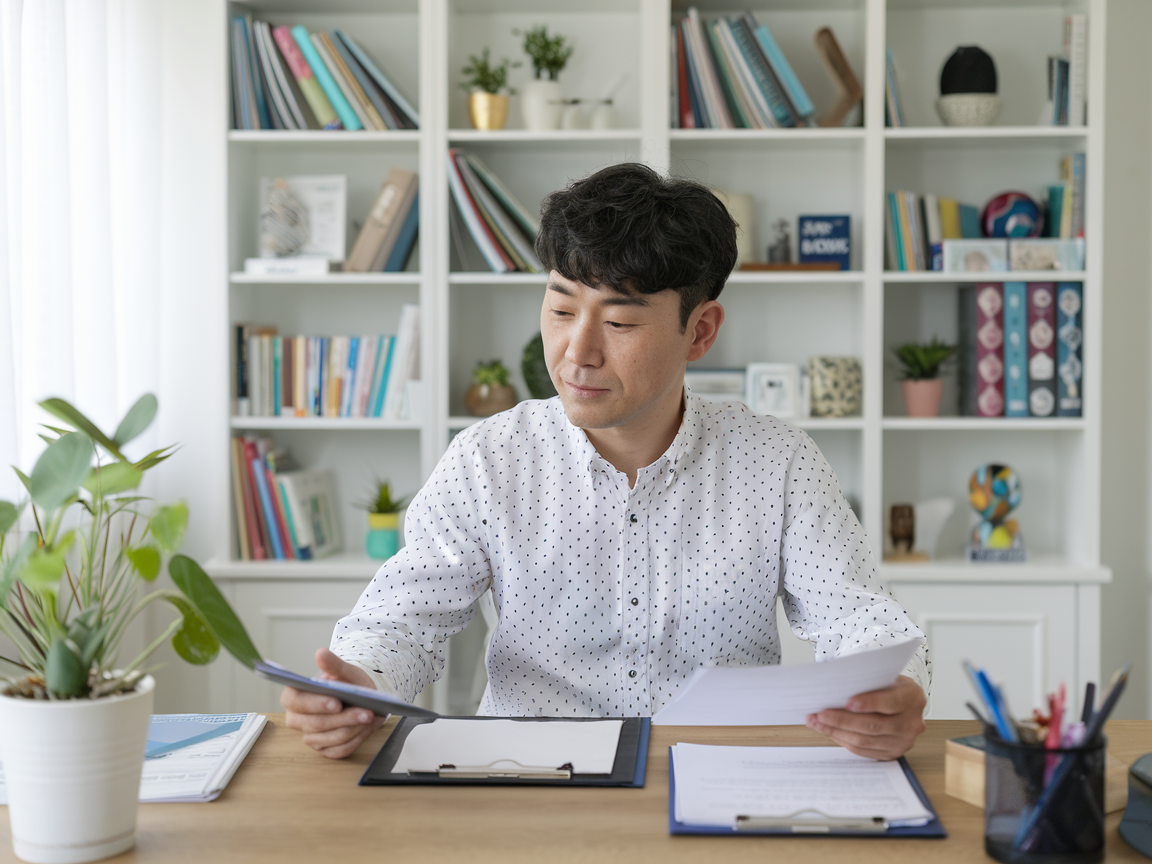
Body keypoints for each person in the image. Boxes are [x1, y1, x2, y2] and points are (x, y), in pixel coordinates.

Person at [281, 163, 930, 761]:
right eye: (561, 309)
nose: (575, 351)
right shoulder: (490, 459)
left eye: (618, 324)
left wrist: (892, 690)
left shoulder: (777, 463)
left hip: (713, 777)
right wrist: (354, 686)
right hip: (528, 783)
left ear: (700, 331)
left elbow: (862, 618)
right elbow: (402, 619)